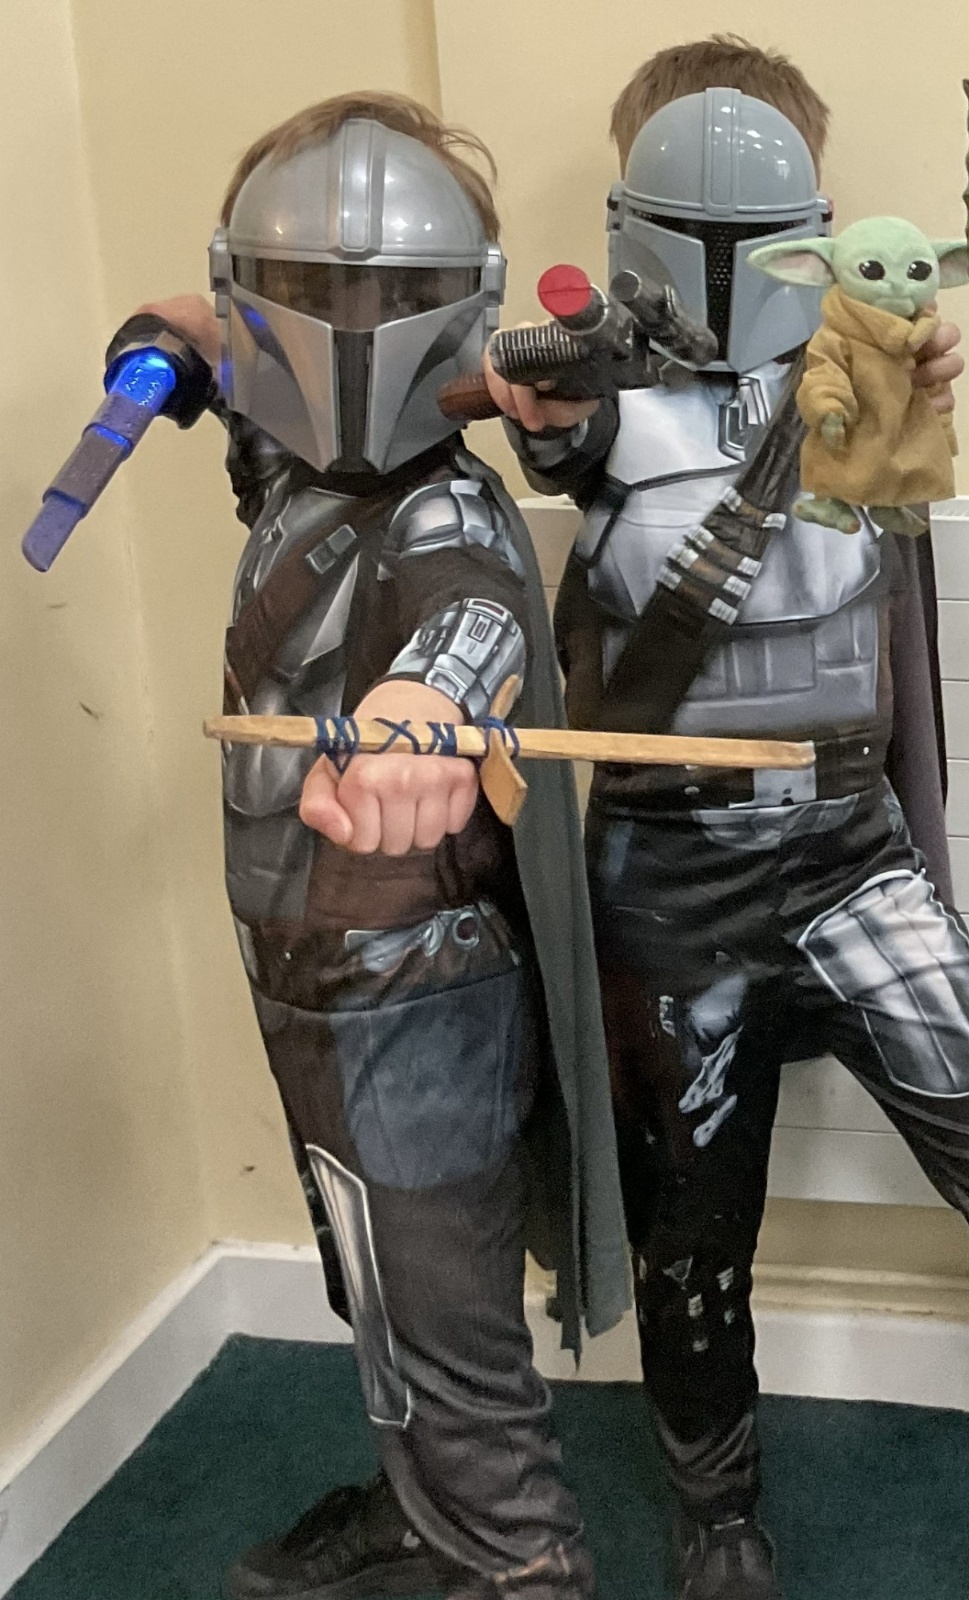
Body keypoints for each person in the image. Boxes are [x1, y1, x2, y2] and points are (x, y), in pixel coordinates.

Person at [484, 36, 969, 1600]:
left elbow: (897, 612)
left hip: (846, 856)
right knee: (691, 1229)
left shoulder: (863, 373)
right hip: (667, 873)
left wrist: (910, 374)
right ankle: (715, 1520)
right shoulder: (596, 399)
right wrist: (543, 388)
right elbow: (544, 416)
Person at [108, 92, 628, 1600]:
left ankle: (518, 1565)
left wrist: (421, 723)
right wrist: (170, 346)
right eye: (310, 296)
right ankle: (426, 1512)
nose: (347, 343)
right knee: (376, 1287)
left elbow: (470, 628)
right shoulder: (286, 471)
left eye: (389, 301)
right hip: (300, 962)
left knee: (447, 1330)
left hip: (416, 990)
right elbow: (190, 330)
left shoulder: (447, 517)